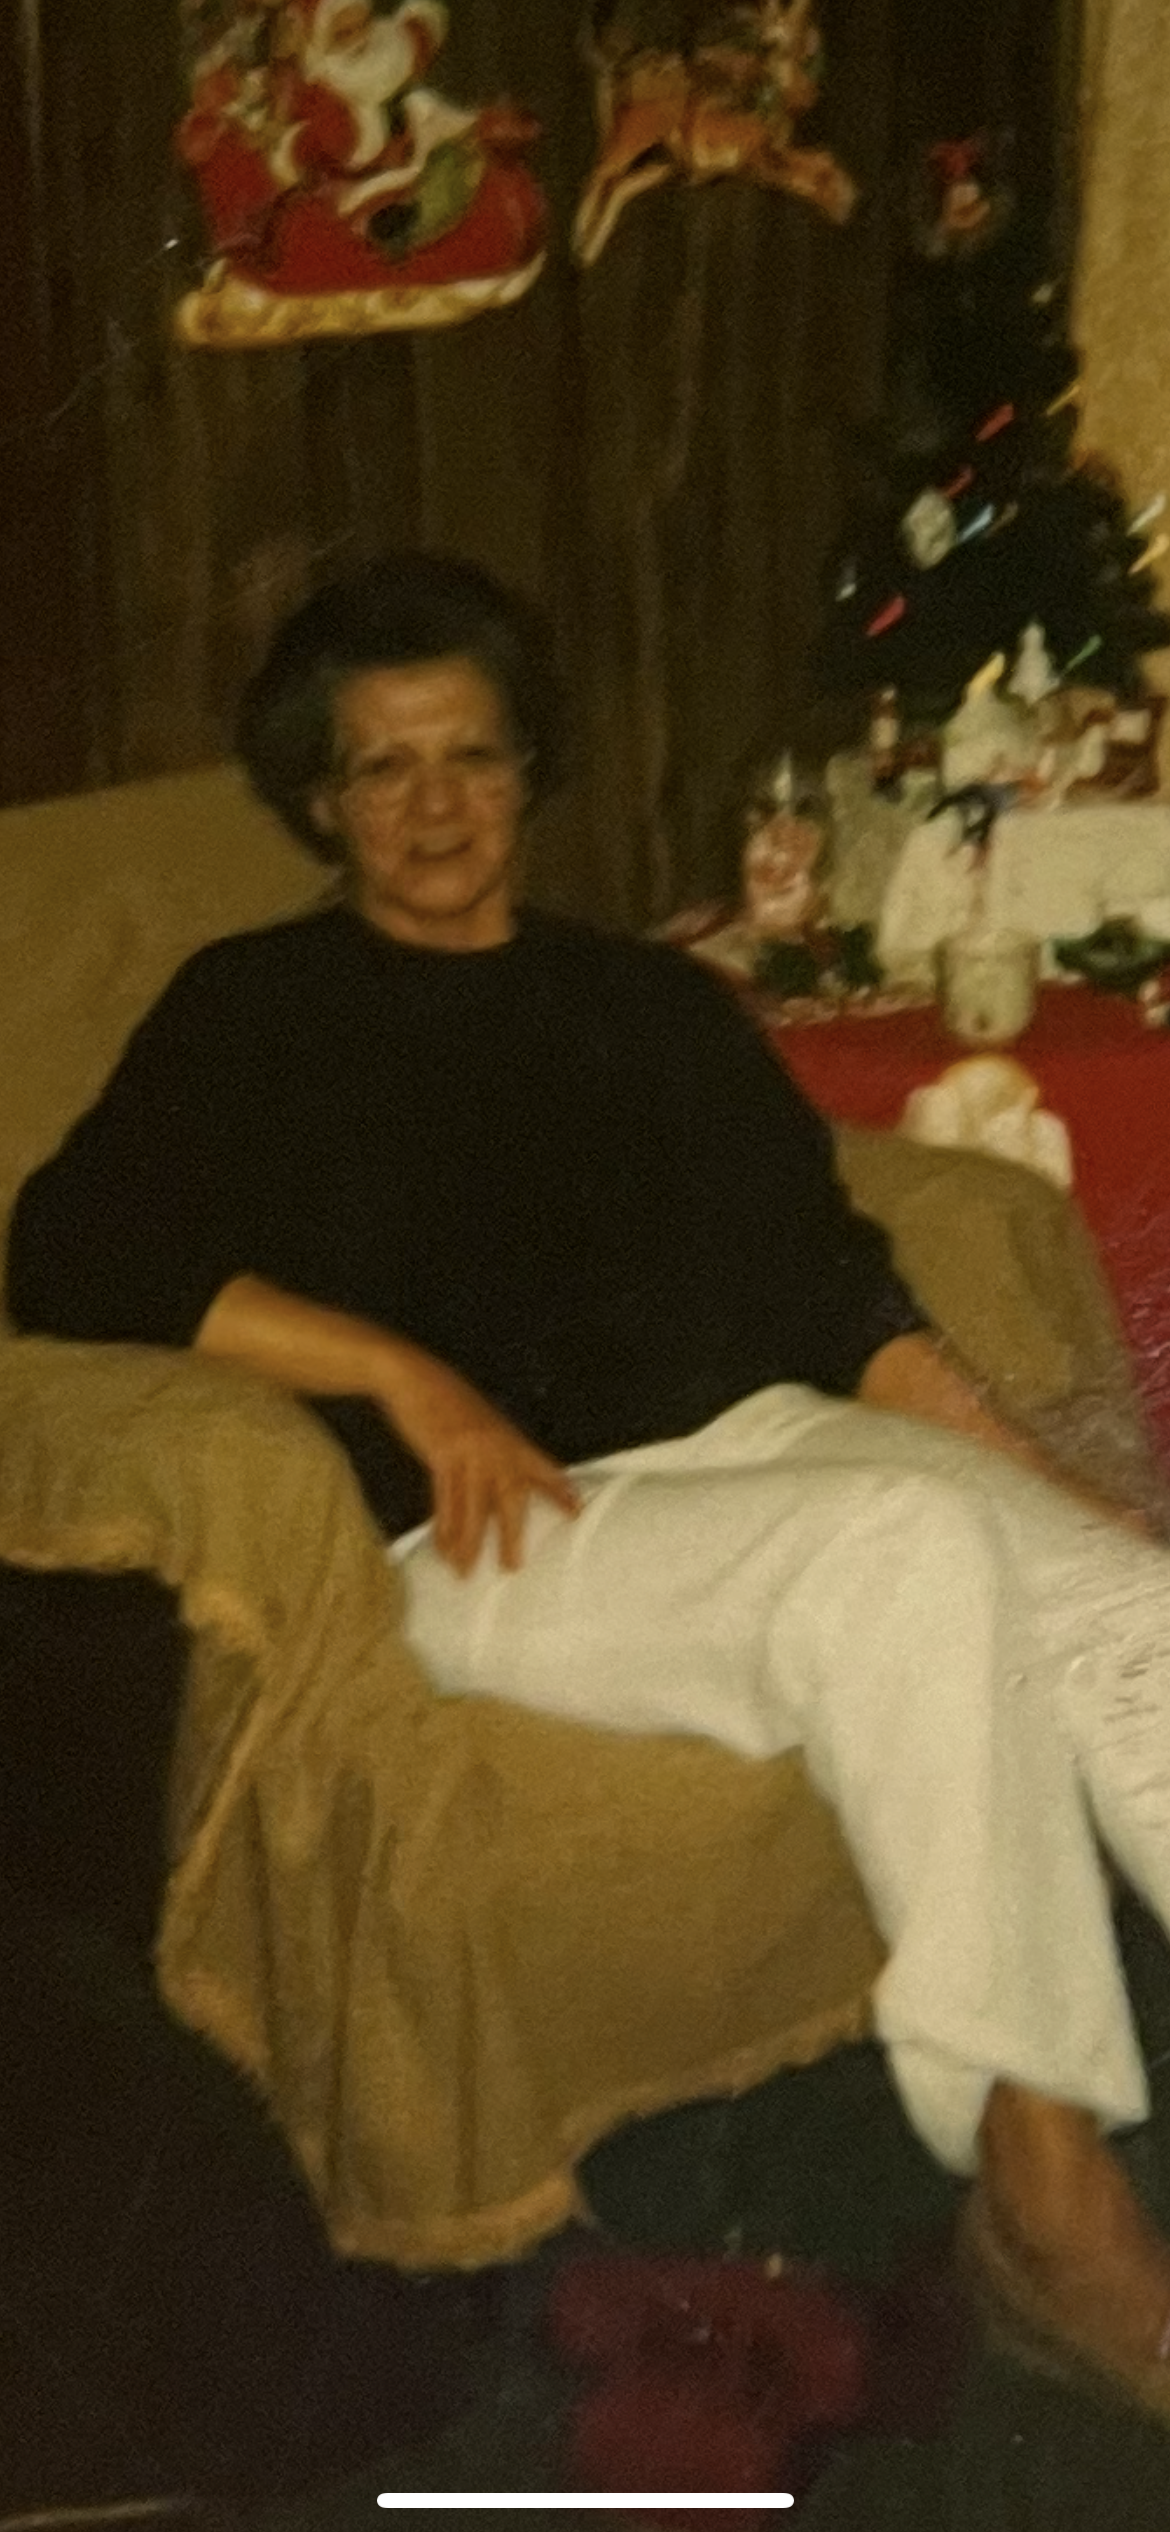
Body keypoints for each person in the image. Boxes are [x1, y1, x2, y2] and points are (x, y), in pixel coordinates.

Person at [10, 550, 1170, 2428]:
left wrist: (1059, 1495)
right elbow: (72, 1251)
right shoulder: (257, 1008)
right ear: (321, 797)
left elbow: (829, 1294)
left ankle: (1044, 2154)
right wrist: (404, 1375)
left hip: (761, 1454)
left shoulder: (650, 1006)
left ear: (527, 768)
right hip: (498, 1529)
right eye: (383, 768)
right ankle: (1045, 2197)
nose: (436, 805)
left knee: (1122, 1602)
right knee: (904, 1553)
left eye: (470, 755)